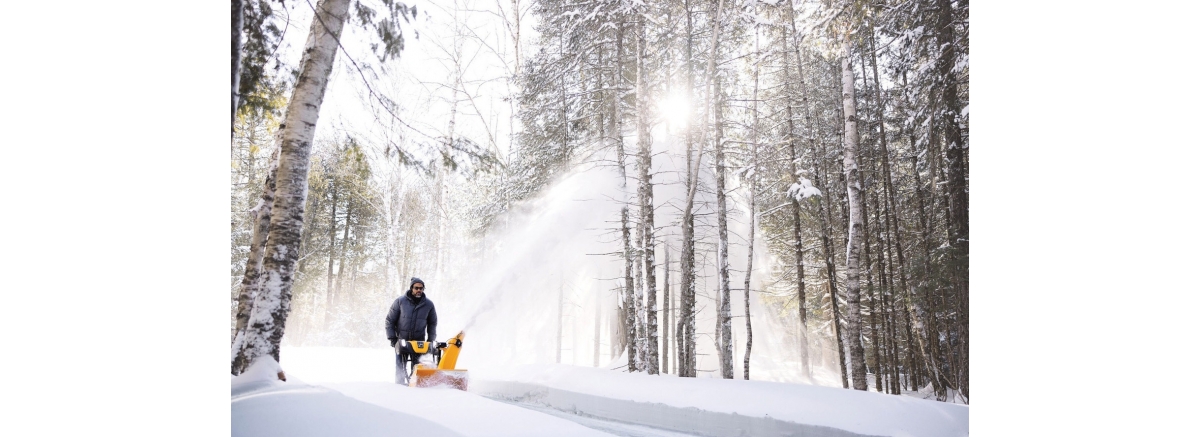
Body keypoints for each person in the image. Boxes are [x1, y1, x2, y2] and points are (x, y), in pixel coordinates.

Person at [385, 277, 438, 385]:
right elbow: (390, 321)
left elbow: (432, 323)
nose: (419, 290)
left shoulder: (429, 304)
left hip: (419, 342)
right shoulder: (400, 302)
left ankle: (415, 386)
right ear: (411, 288)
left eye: (421, 288)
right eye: (416, 288)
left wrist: (430, 340)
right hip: (402, 341)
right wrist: (392, 339)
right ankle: (399, 386)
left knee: (417, 367)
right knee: (400, 367)